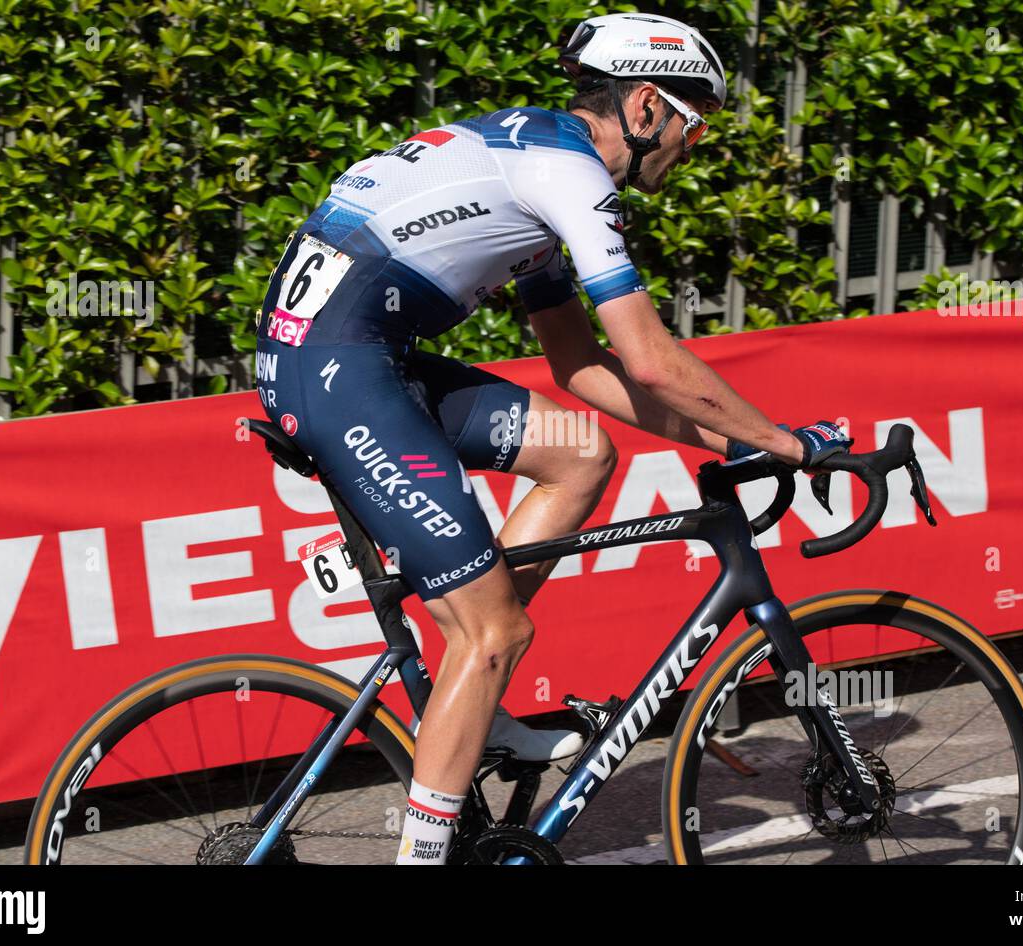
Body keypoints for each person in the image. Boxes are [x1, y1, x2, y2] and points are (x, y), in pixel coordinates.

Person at [252, 11, 851, 865]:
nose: (694, 143)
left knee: (578, 451)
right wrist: (789, 444)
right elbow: (649, 360)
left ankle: (476, 697)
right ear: (646, 106)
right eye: (695, 121)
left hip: (351, 355)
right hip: (340, 367)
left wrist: (730, 444)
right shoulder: (571, 176)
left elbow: (577, 366)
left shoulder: (529, 154)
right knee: (492, 632)